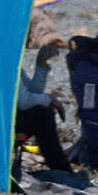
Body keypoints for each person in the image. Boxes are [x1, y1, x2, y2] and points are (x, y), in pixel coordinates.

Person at [16, 40, 72, 173]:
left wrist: (41, 64)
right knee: (42, 114)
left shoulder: (6, 57)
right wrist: (50, 99)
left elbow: (31, 92)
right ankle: (61, 169)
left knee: (41, 110)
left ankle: (60, 167)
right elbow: (24, 101)